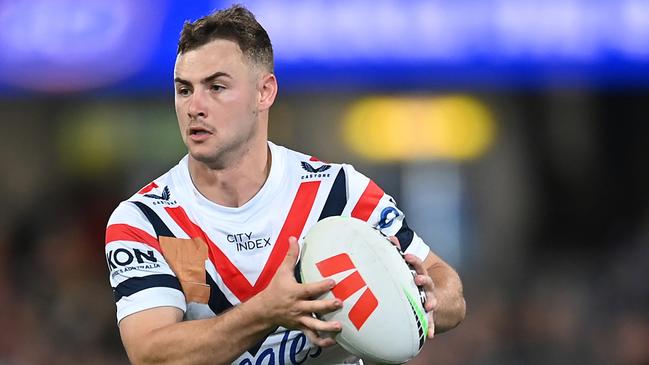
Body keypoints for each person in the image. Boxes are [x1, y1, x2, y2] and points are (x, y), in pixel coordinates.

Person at [104, 4, 465, 365]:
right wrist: (266, 311)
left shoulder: (338, 193)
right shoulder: (145, 220)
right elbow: (151, 354)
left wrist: (425, 300)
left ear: (265, 92)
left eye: (216, 87)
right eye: (184, 90)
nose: (195, 106)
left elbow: (450, 293)